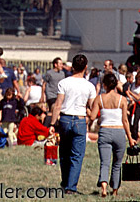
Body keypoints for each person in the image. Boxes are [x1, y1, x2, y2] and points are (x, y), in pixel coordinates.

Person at [50, 53, 95, 195]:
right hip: (80, 120)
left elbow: (58, 105)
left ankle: (64, 182)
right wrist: (89, 118)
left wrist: (52, 124)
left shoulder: (64, 83)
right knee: (77, 155)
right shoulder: (89, 86)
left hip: (64, 119)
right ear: (86, 67)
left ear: (72, 67)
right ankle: (71, 187)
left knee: (64, 153)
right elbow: (92, 107)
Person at [90, 72, 135, 198]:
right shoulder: (122, 100)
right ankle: (114, 190)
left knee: (104, 162)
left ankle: (103, 186)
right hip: (119, 132)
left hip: (104, 131)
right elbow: (125, 121)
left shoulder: (99, 99)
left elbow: (93, 116)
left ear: (104, 85)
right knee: (117, 163)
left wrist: (87, 110)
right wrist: (130, 138)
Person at [127, 69, 140, 142]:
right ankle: (131, 135)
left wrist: (130, 93)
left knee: (136, 122)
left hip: (138, 105)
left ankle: (135, 137)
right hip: (131, 103)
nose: (139, 81)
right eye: (138, 79)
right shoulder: (133, 84)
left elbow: (138, 97)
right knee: (128, 120)